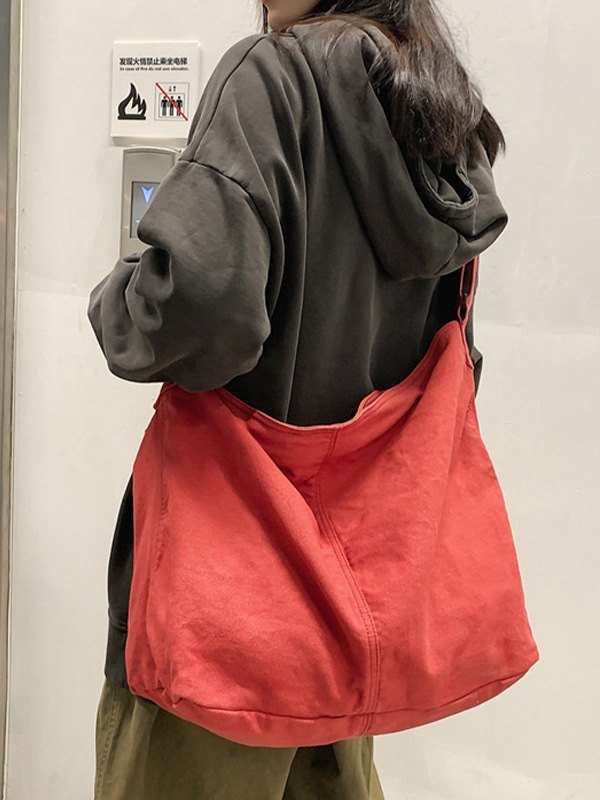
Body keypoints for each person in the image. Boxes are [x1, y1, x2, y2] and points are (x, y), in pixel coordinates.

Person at [87, 1, 509, 797]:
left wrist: (119, 301)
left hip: (222, 626)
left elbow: (202, 303)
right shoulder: (435, 107)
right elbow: (456, 359)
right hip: (351, 629)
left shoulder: (271, 78)